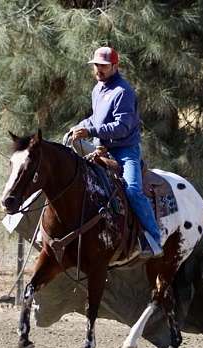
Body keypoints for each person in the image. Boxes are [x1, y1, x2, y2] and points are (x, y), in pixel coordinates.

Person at [71, 46, 163, 258]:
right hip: (100, 147)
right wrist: (78, 127)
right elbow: (95, 119)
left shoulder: (123, 91)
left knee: (132, 190)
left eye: (103, 66)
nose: (98, 70)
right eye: (96, 65)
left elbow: (122, 127)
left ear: (114, 66)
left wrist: (91, 130)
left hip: (124, 150)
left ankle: (154, 240)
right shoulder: (98, 89)